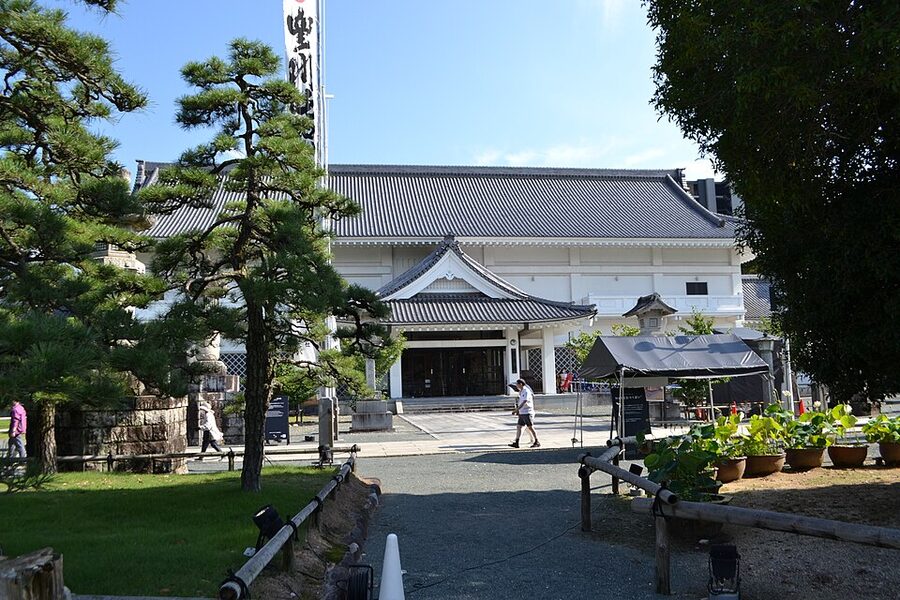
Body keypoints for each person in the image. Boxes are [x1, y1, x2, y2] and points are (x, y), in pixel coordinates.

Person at [508, 379, 540, 448]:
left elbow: (524, 401)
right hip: (522, 412)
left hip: (527, 412)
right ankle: (517, 442)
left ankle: (537, 441)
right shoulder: (521, 391)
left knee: (530, 427)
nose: (516, 385)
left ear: (521, 384)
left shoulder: (526, 391)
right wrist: (519, 411)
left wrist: (517, 410)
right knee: (519, 426)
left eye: (517, 384)